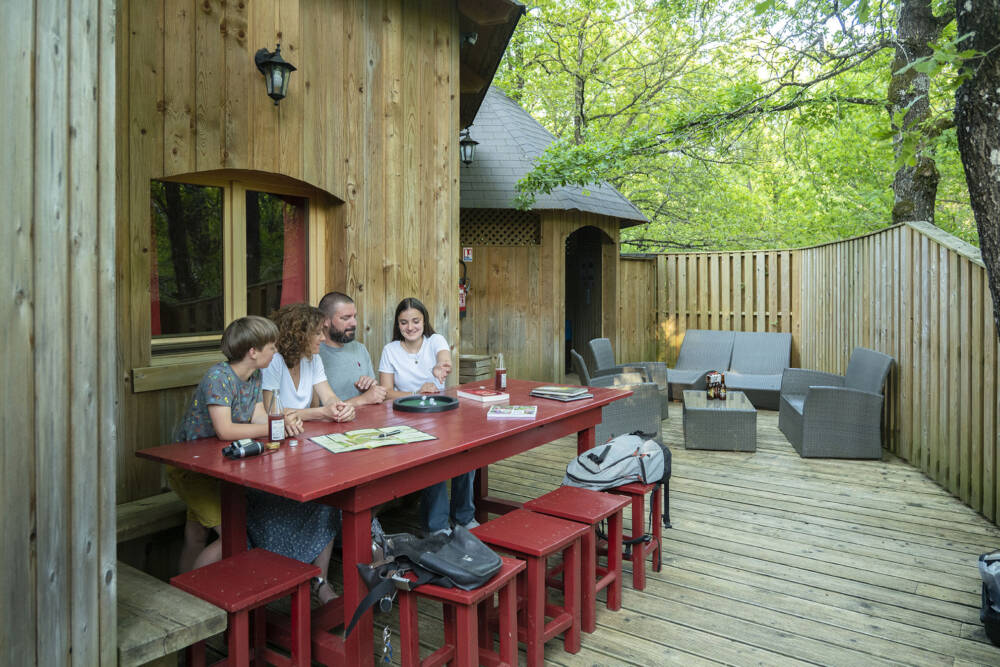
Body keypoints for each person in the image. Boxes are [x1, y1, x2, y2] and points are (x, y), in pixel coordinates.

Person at [169, 316, 305, 573]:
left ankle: (181, 591)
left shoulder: (254, 376)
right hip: (191, 469)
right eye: (272, 346)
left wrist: (282, 422)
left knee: (196, 535)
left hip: (218, 466)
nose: (276, 351)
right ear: (253, 352)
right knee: (233, 537)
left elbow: (258, 415)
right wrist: (272, 428)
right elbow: (225, 430)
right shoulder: (218, 377)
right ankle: (193, 597)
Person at [249, 302, 357, 604]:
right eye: (317, 333)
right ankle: (310, 577)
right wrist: (319, 413)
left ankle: (320, 580)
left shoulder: (312, 359)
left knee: (336, 491)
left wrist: (338, 406)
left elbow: (328, 396)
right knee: (326, 497)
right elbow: (272, 411)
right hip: (273, 459)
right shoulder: (274, 362)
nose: (323, 338)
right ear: (299, 335)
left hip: (303, 450)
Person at [378, 297, 476, 535]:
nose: (410, 327)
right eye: (404, 322)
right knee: (433, 460)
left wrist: (440, 367)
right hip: (404, 418)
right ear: (397, 324)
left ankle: (464, 517)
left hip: (441, 416)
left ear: (424, 321)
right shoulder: (390, 350)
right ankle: (437, 526)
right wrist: (415, 392)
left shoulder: (435, 341)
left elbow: (444, 359)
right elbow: (385, 392)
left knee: (468, 454)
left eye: (415, 321)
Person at [317, 291, 387, 407]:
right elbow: (317, 410)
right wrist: (363, 399)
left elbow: (375, 396)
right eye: (346, 318)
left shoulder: (360, 348)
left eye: (355, 317)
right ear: (325, 321)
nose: (354, 323)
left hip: (367, 421)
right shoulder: (314, 353)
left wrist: (371, 388)